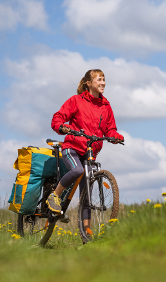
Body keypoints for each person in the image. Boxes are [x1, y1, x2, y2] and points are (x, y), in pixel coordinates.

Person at [48, 69, 124, 236]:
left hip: (91, 151)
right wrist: (62, 126)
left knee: (86, 193)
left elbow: (110, 129)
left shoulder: (106, 106)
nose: (103, 83)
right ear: (88, 83)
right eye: (99, 80)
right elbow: (58, 117)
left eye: (104, 79)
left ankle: (86, 233)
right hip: (72, 147)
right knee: (77, 170)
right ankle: (54, 196)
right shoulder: (76, 100)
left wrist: (115, 137)